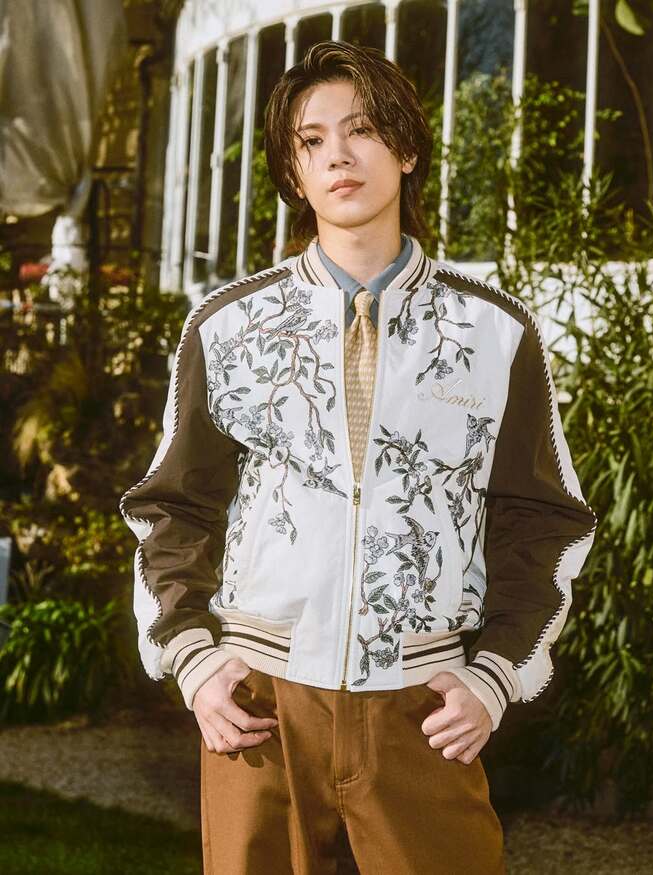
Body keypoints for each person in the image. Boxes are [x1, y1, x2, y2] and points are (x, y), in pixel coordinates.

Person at [120, 40, 597, 874]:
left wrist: (495, 674)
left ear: (406, 149)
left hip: (422, 706)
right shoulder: (227, 327)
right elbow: (171, 509)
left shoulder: (494, 332)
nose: (338, 154)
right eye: (312, 140)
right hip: (261, 703)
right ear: (294, 172)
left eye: (363, 129)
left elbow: (544, 522)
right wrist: (194, 659)